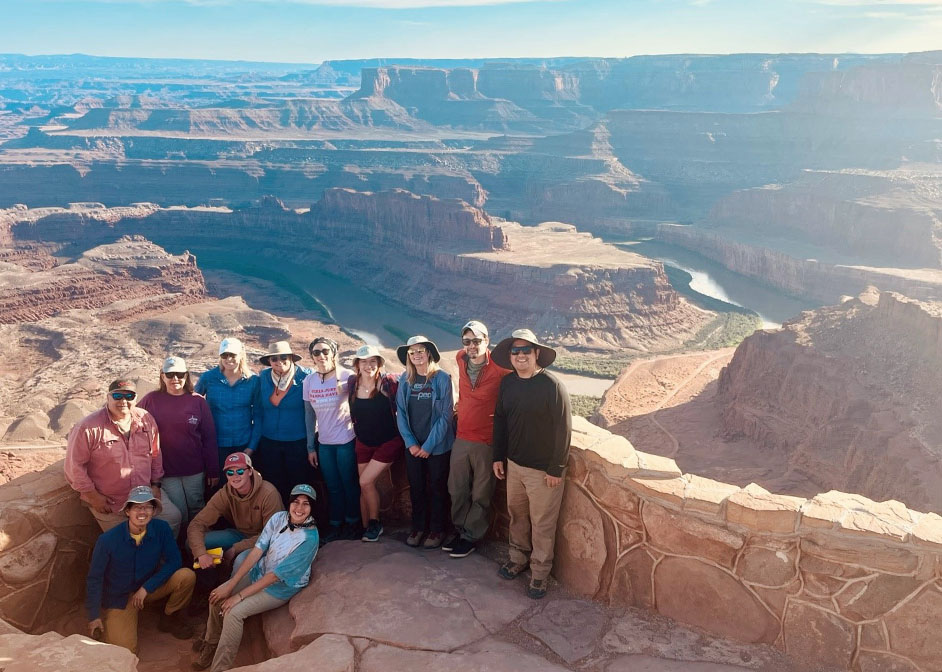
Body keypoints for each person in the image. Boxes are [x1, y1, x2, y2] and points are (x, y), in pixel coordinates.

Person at [192, 484, 320, 672]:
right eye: (296, 502)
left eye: (306, 504)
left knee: (233, 613)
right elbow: (257, 551)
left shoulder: (309, 538)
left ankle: (219, 668)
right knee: (217, 597)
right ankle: (211, 645)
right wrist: (230, 585)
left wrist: (239, 596)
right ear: (289, 503)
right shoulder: (278, 518)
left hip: (280, 587)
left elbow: (275, 576)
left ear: (312, 508)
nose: (299, 508)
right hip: (259, 571)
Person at [491, 328, 572, 600]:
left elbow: (563, 430)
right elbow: (500, 420)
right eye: (516, 351)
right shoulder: (508, 383)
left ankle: (539, 573)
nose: (521, 355)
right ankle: (518, 558)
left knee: (543, 524)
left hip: (542, 472)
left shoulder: (552, 386)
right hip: (514, 465)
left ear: (537, 354)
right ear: (510, 356)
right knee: (517, 516)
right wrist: (497, 457)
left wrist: (556, 468)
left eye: (526, 350)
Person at [85, 485, 196, 653]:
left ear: (153, 511)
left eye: (147, 507)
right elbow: (95, 578)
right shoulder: (107, 540)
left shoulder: (162, 529)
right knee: (126, 652)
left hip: (149, 589)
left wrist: (146, 588)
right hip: (122, 598)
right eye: (137, 506)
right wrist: (94, 616)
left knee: (186, 576)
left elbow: (175, 561)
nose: (142, 511)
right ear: (128, 511)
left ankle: (169, 616)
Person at [65, 379, 182, 536]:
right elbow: (74, 467)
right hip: (110, 500)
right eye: (117, 396)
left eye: (129, 396)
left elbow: (155, 453)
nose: (123, 401)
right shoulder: (88, 427)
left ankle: (161, 557)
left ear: (135, 398)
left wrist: (155, 485)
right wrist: (93, 497)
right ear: (108, 398)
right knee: (124, 542)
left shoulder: (145, 419)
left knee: (173, 518)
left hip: (145, 494)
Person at [444, 320, 509, 559]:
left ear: (487, 341)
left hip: (486, 440)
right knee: (456, 488)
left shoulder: (500, 368)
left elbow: (521, 380)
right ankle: (460, 529)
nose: (472, 346)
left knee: (481, 492)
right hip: (462, 436)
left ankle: (471, 536)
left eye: (477, 341)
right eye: (467, 341)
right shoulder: (461, 358)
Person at [139, 356, 219, 529]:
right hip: (167, 470)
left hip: (194, 468)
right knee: (179, 511)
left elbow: (209, 437)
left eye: (180, 374)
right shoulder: (151, 400)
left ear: (186, 376)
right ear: (162, 376)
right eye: (170, 374)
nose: (175, 379)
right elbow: (131, 420)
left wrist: (213, 470)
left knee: (197, 507)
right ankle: (181, 547)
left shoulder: (197, 401)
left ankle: (198, 546)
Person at [395, 335, 455, 549]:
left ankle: (437, 529)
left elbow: (446, 416)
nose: (417, 355)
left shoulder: (441, 379)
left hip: (437, 447)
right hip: (413, 446)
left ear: (429, 353)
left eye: (421, 350)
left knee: (438, 488)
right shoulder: (405, 379)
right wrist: (411, 443)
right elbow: (400, 412)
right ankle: (419, 527)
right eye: (412, 352)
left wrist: (429, 446)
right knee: (417, 487)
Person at [187, 452, 284, 572]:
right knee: (193, 544)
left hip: (265, 542)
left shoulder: (268, 493)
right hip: (239, 534)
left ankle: (233, 590)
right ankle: (210, 582)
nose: (235, 476)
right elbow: (197, 524)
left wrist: (236, 548)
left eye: (240, 471)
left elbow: (271, 535)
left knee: (240, 561)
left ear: (249, 471)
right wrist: (201, 554)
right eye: (230, 473)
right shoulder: (225, 493)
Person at [303, 336, 359, 543]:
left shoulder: (347, 376)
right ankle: (336, 524)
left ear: (334, 353)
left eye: (326, 351)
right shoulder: (309, 381)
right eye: (316, 352)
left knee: (349, 484)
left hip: (346, 440)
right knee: (332, 486)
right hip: (324, 444)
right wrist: (311, 447)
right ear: (312, 356)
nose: (321, 356)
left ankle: (353, 523)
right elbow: (309, 416)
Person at [348, 344, 402, 542]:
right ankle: (365, 529)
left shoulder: (388, 383)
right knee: (364, 487)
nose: (368, 365)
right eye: (364, 361)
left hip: (388, 442)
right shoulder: (352, 383)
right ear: (357, 364)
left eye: (373, 361)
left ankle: (375, 523)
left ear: (379, 363)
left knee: (365, 481)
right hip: (363, 442)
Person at [253, 341, 312, 507]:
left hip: (297, 442)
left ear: (292, 358)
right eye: (274, 359)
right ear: (269, 362)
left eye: (284, 357)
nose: (279, 361)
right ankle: (277, 521)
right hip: (269, 442)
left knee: (299, 486)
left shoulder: (306, 376)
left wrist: (311, 446)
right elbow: (257, 410)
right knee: (273, 485)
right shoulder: (263, 378)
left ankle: (300, 523)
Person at [194, 337, 261, 479]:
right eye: (224, 355)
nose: (228, 359)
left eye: (233, 355)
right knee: (218, 485)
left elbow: (259, 415)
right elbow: (193, 405)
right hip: (216, 444)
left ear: (241, 356)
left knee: (243, 484)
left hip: (244, 443)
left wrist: (251, 448)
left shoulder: (253, 381)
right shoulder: (208, 378)